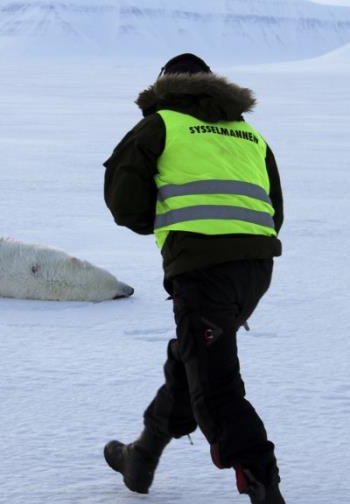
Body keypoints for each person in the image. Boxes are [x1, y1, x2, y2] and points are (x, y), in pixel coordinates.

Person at [102, 53, 285, 504]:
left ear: (164, 86)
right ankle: (140, 457)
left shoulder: (161, 123)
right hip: (256, 270)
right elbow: (273, 209)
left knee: (217, 391)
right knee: (194, 359)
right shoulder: (249, 133)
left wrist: (170, 225)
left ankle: (264, 486)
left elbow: (124, 202)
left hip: (202, 270)